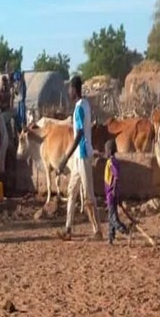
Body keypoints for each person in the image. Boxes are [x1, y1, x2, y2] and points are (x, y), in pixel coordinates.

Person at [55, 75, 103, 240]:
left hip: (82, 154)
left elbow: (80, 133)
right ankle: (68, 229)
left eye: (69, 89)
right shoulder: (83, 106)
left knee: (88, 194)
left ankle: (97, 231)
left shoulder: (80, 108)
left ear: (74, 90)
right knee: (72, 190)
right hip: (79, 156)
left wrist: (64, 158)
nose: (68, 91)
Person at [104, 139, 128, 245]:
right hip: (112, 193)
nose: (105, 152)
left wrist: (113, 189)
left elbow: (116, 175)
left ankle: (125, 230)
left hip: (111, 194)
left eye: (106, 150)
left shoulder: (111, 162)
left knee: (112, 217)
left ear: (109, 150)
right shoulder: (113, 161)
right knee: (111, 215)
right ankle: (110, 236)